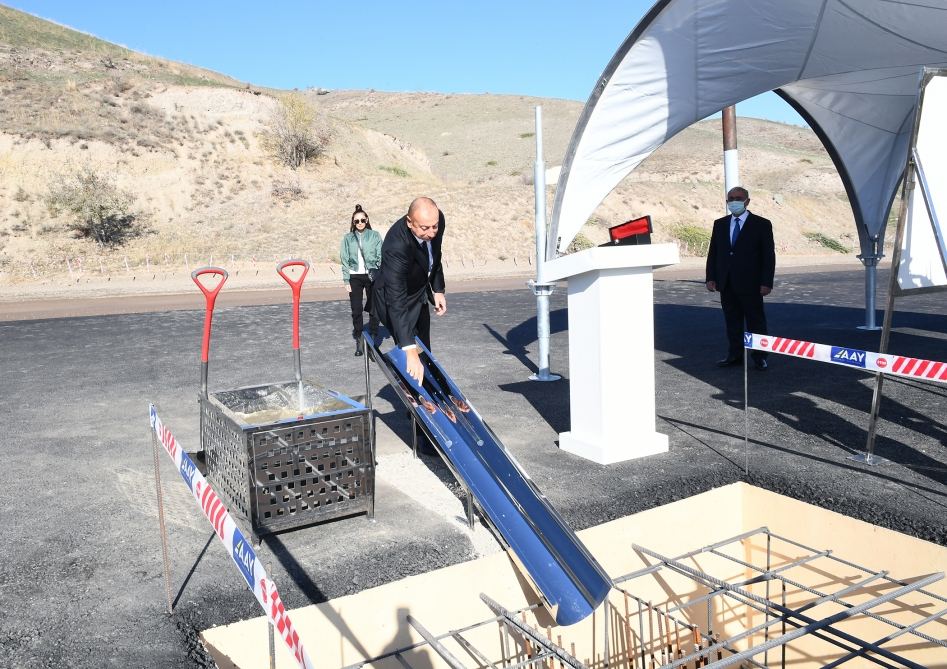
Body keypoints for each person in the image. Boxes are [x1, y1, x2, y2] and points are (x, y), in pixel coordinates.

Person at [371, 197, 447, 455]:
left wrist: (437, 289)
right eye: (424, 228)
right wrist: (408, 348)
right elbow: (396, 301)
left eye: (434, 227)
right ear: (409, 222)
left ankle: (426, 408)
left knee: (426, 355)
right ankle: (421, 429)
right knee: (412, 361)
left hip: (418, 293)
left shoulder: (436, 221)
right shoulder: (395, 246)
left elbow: (435, 254)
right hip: (395, 299)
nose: (431, 232)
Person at [705, 186, 775, 370]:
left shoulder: (761, 224)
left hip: (752, 284)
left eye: (738, 198)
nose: (734, 201)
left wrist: (766, 282)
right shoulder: (719, 224)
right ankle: (734, 355)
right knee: (732, 321)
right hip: (726, 282)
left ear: (747, 201)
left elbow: (768, 256)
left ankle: (760, 357)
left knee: (756, 322)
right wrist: (710, 277)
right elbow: (714, 252)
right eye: (731, 199)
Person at [340, 204, 382, 356]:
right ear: (353, 222)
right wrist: (346, 280)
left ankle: (372, 340)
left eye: (362, 220)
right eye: (356, 221)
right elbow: (344, 259)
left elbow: (380, 255)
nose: (360, 223)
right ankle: (359, 340)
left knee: (374, 309)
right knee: (356, 310)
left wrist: (378, 271)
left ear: (367, 220)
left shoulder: (375, 235)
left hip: (372, 275)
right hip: (354, 277)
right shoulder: (348, 238)